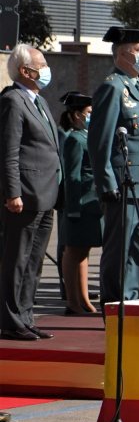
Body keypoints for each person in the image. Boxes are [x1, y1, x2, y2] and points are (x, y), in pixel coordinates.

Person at [88, 27, 139, 305]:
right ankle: (116, 309)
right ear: (122, 53)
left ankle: (132, 304)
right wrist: (106, 182)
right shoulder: (112, 87)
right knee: (120, 252)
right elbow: (100, 141)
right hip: (123, 186)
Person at [1, 45, 61, 340]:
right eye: (42, 65)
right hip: (24, 196)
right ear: (25, 71)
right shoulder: (12, 101)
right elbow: (8, 152)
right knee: (17, 259)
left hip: (45, 194)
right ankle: (10, 320)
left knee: (34, 260)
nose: (47, 70)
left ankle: (25, 316)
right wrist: (12, 193)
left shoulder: (39, 101)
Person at [57, 91, 100, 315]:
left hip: (91, 205)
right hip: (79, 205)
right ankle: (72, 302)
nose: (92, 116)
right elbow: (72, 176)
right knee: (73, 252)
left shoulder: (87, 136)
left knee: (84, 252)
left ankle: (84, 299)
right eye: (89, 113)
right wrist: (72, 209)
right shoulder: (75, 139)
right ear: (76, 115)